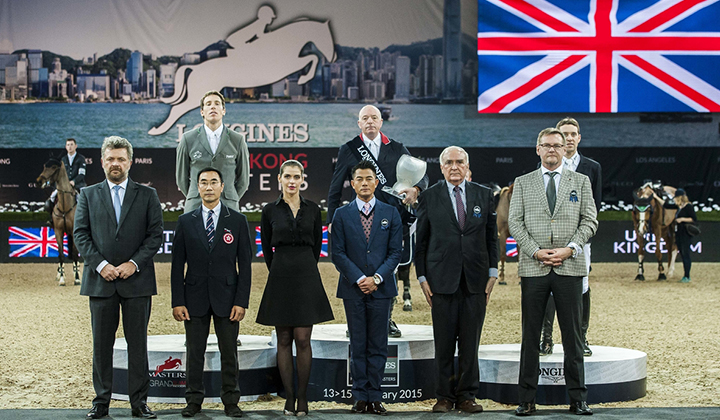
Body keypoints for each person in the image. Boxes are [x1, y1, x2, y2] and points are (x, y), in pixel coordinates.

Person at [509, 128, 597, 416]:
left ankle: (578, 398)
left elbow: (590, 221)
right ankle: (526, 399)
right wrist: (535, 251)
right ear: (537, 149)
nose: (552, 150)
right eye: (546, 145)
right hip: (533, 268)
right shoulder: (522, 183)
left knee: (572, 337)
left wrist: (570, 248)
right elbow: (515, 223)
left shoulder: (581, 182)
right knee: (530, 336)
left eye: (557, 145)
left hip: (569, 266)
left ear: (564, 149)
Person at [73, 136, 163, 420]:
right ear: (102, 162)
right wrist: (101, 265)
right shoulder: (87, 195)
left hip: (137, 283)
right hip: (100, 283)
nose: (115, 163)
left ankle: (140, 404)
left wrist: (133, 264)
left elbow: (155, 236)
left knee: (138, 345)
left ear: (130, 162)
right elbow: (80, 235)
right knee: (101, 346)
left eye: (121, 159)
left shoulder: (148, 195)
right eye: (110, 158)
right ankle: (101, 402)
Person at [327, 104, 428, 336]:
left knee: (387, 271)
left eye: (374, 117)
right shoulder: (349, 149)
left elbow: (422, 175)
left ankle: (387, 320)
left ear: (381, 122)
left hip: (389, 219)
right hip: (356, 219)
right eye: (365, 118)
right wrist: (332, 219)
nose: (370, 121)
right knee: (356, 268)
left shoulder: (397, 148)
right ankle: (355, 321)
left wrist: (416, 189)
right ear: (359, 123)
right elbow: (334, 189)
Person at [415, 146, 498, 414]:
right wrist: (422, 276)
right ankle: (443, 396)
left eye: (459, 162)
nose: (454, 167)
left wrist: (493, 271)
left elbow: (491, 237)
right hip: (441, 281)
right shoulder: (429, 197)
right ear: (441, 168)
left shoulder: (484, 195)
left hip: (475, 280)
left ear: (467, 165)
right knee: (444, 341)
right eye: (449, 162)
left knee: (471, 341)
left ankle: (467, 396)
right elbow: (422, 240)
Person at [170, 167, 252, 418]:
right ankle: (193, 400)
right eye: (203, 182)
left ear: (222, 186)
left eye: (213, 182)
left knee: (230, 352)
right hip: (193, 298)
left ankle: (231, 401)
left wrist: (241, 301)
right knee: (195, 352)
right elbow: (176, 266)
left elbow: (246, 265)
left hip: (228, 299)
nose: (208, 187)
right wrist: (177, 301)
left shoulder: (237, 220)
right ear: (197, 187)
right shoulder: (186, 221)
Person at [256, 159, 334, 416]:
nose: (292, 181)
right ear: (279, 178)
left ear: (302, 179)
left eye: (296, 176)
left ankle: (302, 398)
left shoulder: (313, 209)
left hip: (306, 277)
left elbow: (316, 248)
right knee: (284, 339)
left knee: (303, 339)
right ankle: (288, 398)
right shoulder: (269, 210)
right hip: (279, 276)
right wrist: (279, 268)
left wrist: (304, 268)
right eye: (287, 176)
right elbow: (267, 248)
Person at [331, 160, 402, 415]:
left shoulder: (390, 212)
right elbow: (337, 254)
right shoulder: (341, 214)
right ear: (352, 183)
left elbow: (396, 253)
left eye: (368, 178)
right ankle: (360, 397)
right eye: (359, 179)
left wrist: (378, 279)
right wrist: (360, 278)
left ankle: (376, 396)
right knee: (358, 343)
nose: (364, 183)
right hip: (353, 288)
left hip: (382, 290)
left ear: (376, 182)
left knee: (379, 345)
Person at [540, 117, 602, 357]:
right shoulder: (546, 164)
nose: (568, 139)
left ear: (579, 137)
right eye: (563, 134)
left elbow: (595, 207)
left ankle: (580, 338)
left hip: (579, 242)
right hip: (549, 241)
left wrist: (580, 239)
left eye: (572, 134)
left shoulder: (592, 167)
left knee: (582, 289)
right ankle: (546, 338)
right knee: (548, 288)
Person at [176, 90, 250, 213]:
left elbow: (244, 179)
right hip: (195, 205)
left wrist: (231, 197)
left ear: (223, 111)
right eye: (208, 104)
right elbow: (181, 178)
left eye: (217, 103)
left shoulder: (237, 139)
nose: (213, 107)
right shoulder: (188, 139)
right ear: (202, 112)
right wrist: (196, 194)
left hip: (228, 205)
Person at [44, 138, 87, 225]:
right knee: (51, 198)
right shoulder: (63, 159)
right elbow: (59, 174)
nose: (70, 147)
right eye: (68, 145)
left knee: (83, 200)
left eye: (71, 145)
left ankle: (84, 221)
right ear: (65, 147)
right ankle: (52, 219)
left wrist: (74, 181)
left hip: (78, 184)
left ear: (76, 146)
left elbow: (81, 174)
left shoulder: (81, 159)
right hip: (64, 185)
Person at [674, 189, 697, 283]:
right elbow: (666, 205)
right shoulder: (679, 207)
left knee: (686, 254)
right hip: (679, 233)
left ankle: (687, 276)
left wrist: (682, 219)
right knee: (682, 254)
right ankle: (685, 275)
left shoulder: (688, 206)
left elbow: (693, 219)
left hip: (685, 234)